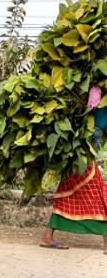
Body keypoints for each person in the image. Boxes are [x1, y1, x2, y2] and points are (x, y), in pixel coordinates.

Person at [39, 86, 107, 253]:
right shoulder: (95, 95)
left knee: (67, 193)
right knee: (99, 193)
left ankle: (47, 236)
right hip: (80, 156)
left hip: (84, 157)